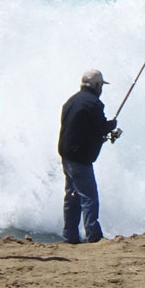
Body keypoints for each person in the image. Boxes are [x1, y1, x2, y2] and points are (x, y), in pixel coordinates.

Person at [57, 68, 122, 244]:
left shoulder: (71, 101)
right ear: (96, 85)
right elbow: (100, 127)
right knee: (88, 197)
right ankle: (93, 236)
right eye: (101, 86)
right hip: (80, 158)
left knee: (72, 195)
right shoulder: (93, 104)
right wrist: (111, 125)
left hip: (66, 155)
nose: (101, 90)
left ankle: (70, 235)